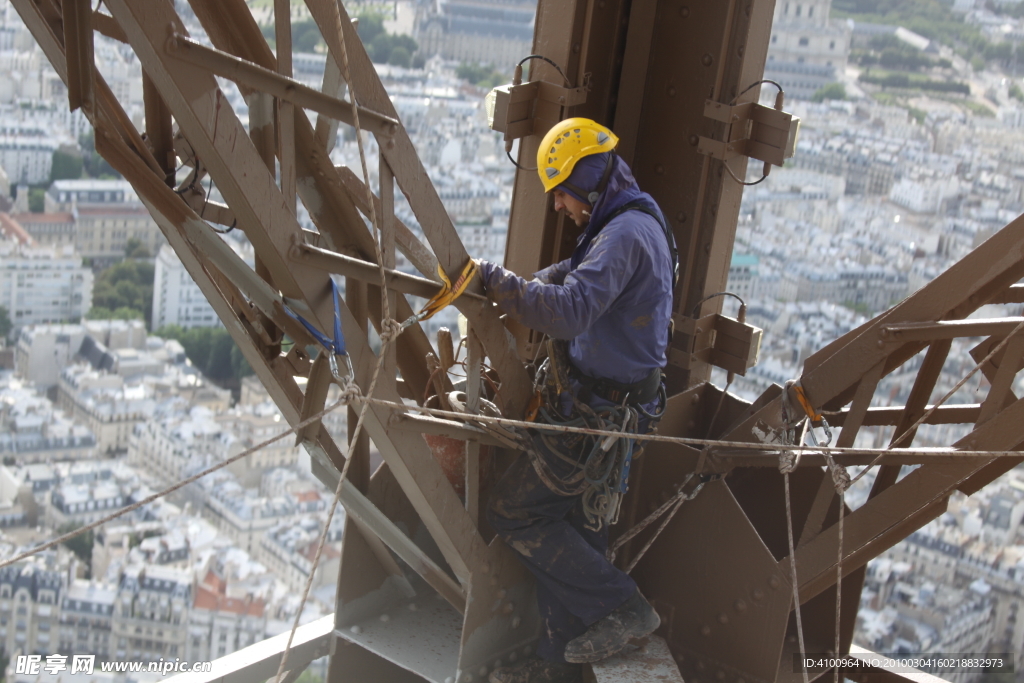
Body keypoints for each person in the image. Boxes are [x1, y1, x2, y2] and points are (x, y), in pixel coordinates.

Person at [477, 118, 677, 683]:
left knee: (514, 512)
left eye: (561, 192)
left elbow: (569, 311)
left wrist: (495, 281)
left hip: (593, 420)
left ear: (587, 178)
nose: (560, 207)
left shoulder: (621, 236)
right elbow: (571, 275)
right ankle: (557, 669)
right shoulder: (631, 221)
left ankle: (621, 606)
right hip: (614, 414)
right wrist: (522, 287)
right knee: (573, 537)